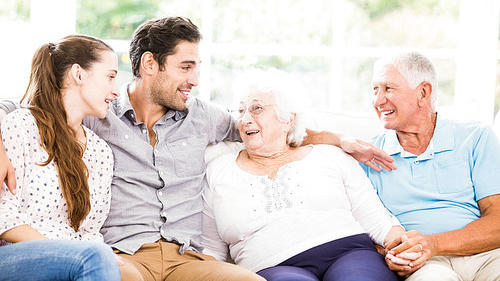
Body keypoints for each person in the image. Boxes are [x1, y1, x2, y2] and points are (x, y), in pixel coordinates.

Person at [0, 17, 395, 281]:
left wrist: (338, 139)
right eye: (186, 67)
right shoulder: (97, 114)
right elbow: (36, 108)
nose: (194, 80)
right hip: (124, 253)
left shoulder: (205, 117)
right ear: (151, 64)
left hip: (187, 258)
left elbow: (274, 126)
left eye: (197, 68)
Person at [202, 69, 404, 281]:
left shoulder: (330, 155)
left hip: (350, 252)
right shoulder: (217, 171)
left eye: (257, 109)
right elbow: (210, 250)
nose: (245, 119)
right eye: (240, 111)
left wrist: (405, 249)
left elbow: (379, 222)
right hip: (271, 267)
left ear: (288, 118)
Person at [361, 52, 500, 280]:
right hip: (424, 265)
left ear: (423, 93)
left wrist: (434, 243)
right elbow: (364, 228)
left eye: (388, 88)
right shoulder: (368, 155)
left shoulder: (476, 137)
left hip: (485, 254)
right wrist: (391, 253)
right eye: (374, 89)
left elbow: (498, 220)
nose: (377, 101)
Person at [0, 35, 121, 280]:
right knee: (95, 256)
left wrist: (81, 254)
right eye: (110, 77)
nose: (116, 91)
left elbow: (89, 232)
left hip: (77, 257)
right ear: (79, 74)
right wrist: (67, 253)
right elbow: (4, 217)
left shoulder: (100, 152)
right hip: (14, 255)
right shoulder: (21, 126)